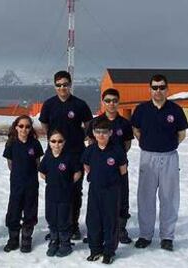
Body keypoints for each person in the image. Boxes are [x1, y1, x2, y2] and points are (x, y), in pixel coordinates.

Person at [130, 74, 188, 251]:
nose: (158, 91)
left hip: (169, 157)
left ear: (167, 89)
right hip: (148, 157)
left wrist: (167, 145)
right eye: (155, 87)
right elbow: (136, 130)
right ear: (150, 89)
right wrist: (149, 144)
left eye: (161, 87)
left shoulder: (175, 110)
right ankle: (145, 235)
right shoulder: (142, 109)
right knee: (145, 197)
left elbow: (181, 134)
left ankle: (167, 236)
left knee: (169, 197)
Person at [39, 70, 93, 240]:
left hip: (76, 153)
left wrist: (80, 139)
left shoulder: (80, 105)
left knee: (74, 190)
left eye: (65, 84)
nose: (62, 87)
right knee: (55, 190)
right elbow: (45, 125)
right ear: (55, 86)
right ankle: (55, 226)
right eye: (59, 85)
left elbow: (88, 125)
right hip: (54, 154)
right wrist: (54, 143)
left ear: (70, 85)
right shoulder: (49, 105)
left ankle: (73, 225)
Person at [86, 88, 134, 244]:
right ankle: (97, 231)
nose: (111, 103)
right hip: (100, 169)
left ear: (118, 102)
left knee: (122, 197)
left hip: (119, 168)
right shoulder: (95, 122)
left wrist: (116, 158)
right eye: (108, 100)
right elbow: (91, 145)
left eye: (114, 100)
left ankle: (120, 229)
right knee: (98, 200)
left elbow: (127, 145)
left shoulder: (124, 124)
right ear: (103, 102)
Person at [82, 117, 128, 264]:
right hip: (95, 190)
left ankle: (109, 251)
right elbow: (87, 167)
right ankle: (95, 249)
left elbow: (122, 170)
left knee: (110, 221)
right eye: (98, 132)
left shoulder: (117, 150)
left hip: (111, 191)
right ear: (94, 134)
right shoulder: (90, 150)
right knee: (93, 220)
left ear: (110, 133)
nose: (101, 135)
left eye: (105, 132)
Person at [2, 115, 44, 253]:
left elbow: (37, 162)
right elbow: (10, 164)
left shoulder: (35, 144)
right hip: (16, 184)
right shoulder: (11, 144)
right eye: (21, 126)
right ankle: (13, 239)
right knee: (14, 211)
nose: (24, 129)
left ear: (31, 128)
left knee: (30, 210)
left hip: (31, 184)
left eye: (27, 126)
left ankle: (26, 238)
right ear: (16, 127)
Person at [39, 130, 81, 257]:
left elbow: (77, 172)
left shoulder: (69, 157)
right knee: (52, 218)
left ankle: (65, 244)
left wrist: (67, 183)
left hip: (65, 195)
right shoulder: (47, 157)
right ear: (49, 142)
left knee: (63, 219)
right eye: (53, 141)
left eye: (60, 141)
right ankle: (54, 241)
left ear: (64, 143)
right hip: (51, 195)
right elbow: (42, 172)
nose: (56, 144)